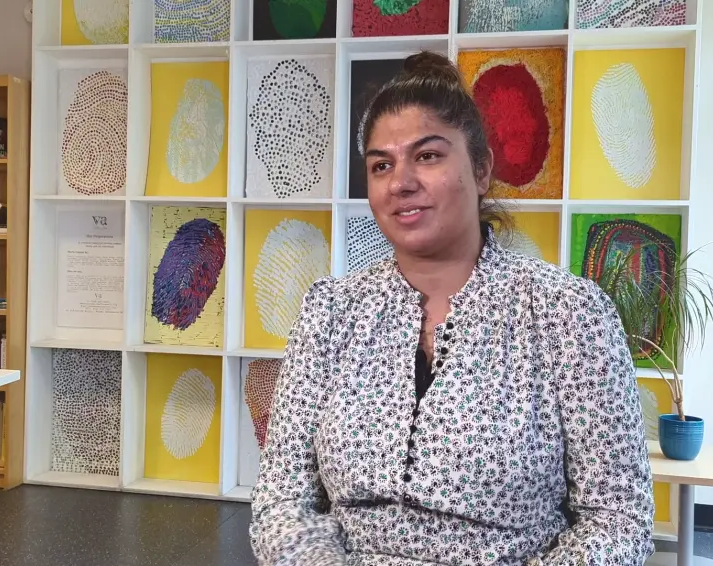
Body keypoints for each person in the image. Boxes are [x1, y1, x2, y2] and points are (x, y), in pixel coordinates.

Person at [249, 50, 655, 566]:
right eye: (381, 165)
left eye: (428, 156)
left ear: (481, 170)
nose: (401, 182)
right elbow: (281, 501)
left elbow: (619, 520)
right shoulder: (331, 310)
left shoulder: (569, 314)